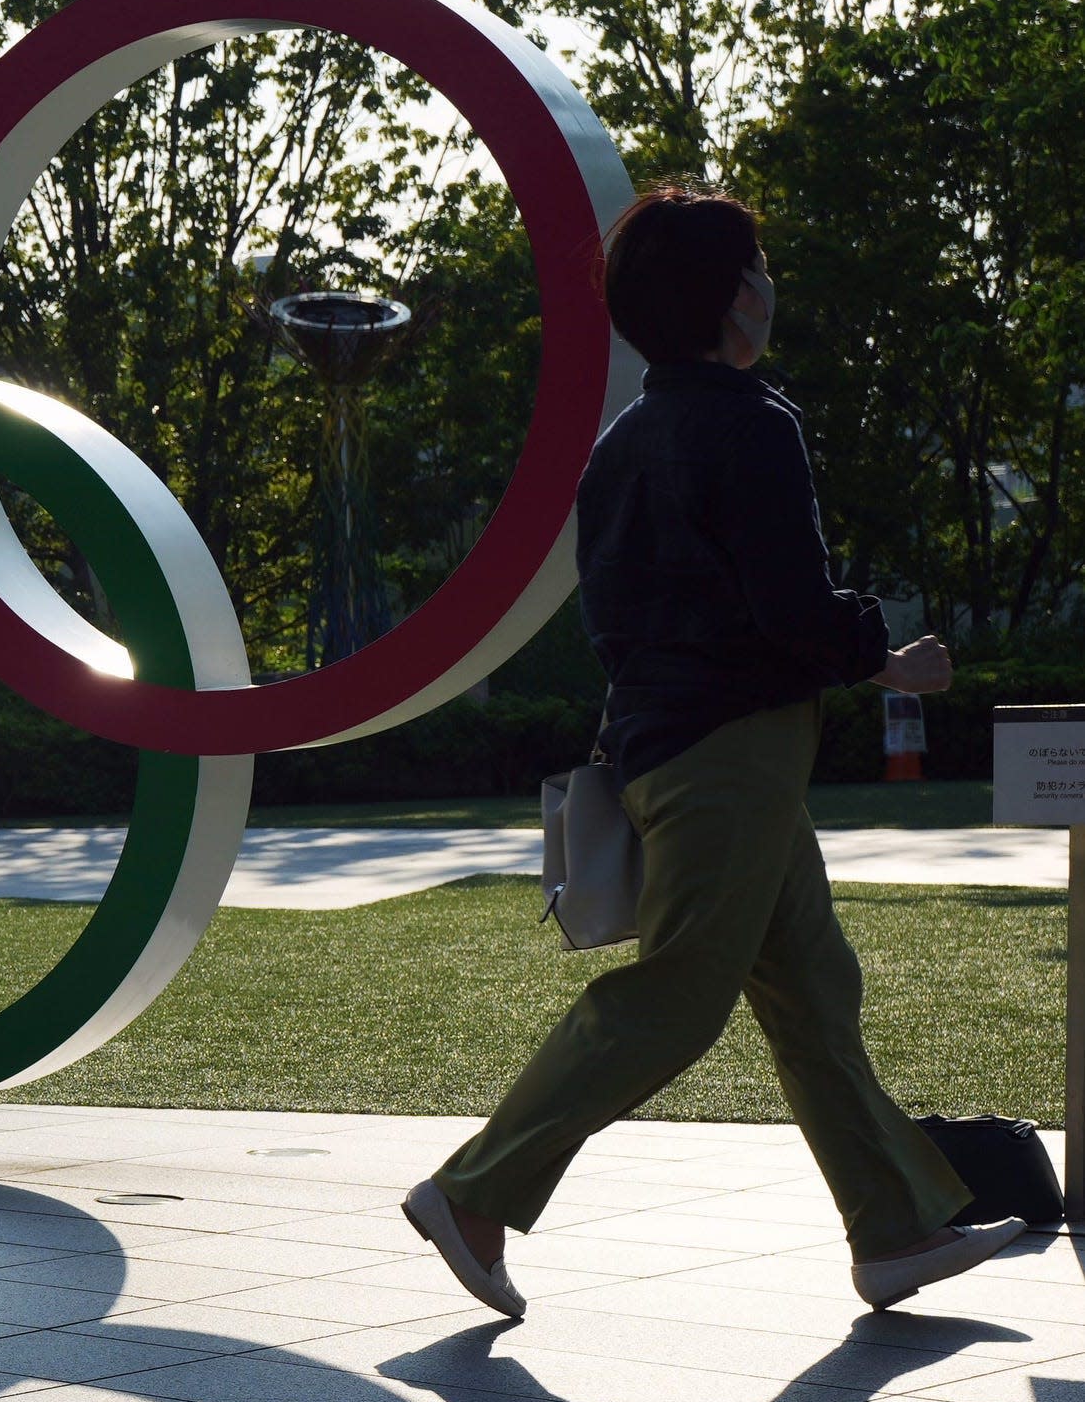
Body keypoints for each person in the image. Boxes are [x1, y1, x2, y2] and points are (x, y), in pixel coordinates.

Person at [403, 188, 1022, 1321]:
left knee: (812, 987)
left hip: (673, 750)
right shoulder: (752, 423)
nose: (771, 284)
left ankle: (893, 1231)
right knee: (680, 995)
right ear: (736, 296)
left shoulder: (622, 444)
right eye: (763, 265)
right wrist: (888, 657)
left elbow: (625, 619)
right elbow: (787, 608)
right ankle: (475, 1190)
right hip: (729, 757)